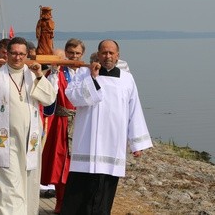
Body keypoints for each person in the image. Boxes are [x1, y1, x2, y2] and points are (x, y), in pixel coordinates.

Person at [61, 39, 153, 215]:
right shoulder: (83, 73)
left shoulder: (127, 79)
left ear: (118, 55)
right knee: (79, 194)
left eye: (111, 53)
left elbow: (134, 109)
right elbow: (73, 98)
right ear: (98, 54)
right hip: (86, 145)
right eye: (104, 52)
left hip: (112, 145)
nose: (108, 56)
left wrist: (136, 144)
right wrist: (92, 78)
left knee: (103, 196)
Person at [0, 37, 57, 214]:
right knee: (10, 188)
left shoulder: (32, 75)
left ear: (27, 54)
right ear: (7, 53)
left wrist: (38, 75)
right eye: (13, 53)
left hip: (31, 141)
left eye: (22, 54)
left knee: (29, 185)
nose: (17, 57)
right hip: (6, 141)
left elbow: (49, 98)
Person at [41, 38, 85, 213]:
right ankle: (60, 201)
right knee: (61, 163)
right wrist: (52, 72)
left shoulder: (87, 72)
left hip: (82, 123)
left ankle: (77, 202)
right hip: (62, 122)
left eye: (77, 53)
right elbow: (50, 96)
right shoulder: (58, 73)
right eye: (71, 53)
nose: (74, 56)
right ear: (66, 54)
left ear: (82, 54)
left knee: (79, 163)